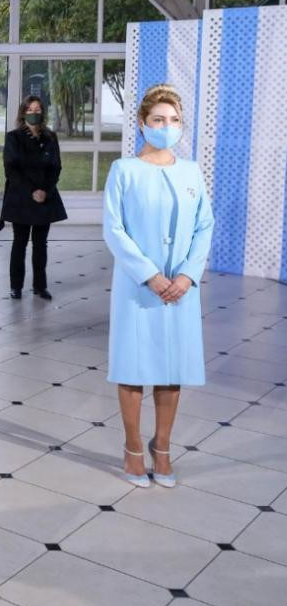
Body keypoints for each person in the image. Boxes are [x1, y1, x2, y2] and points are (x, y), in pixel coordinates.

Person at [103, 84, 213, 489]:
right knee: (133, 368)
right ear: (142, 124)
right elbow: (114, 230)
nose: (167, 127)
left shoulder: (191, 172)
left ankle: (162, 447)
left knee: (172, 369)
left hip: (181, 289)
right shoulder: (124, 171)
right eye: (158, 120)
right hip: (139, 288)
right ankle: (133, 448)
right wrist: (149, 274)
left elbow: (204, 226)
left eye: (174, 121)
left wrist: (187, 275)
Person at [1, 95, 66, 300]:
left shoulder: (50, 137)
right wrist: (32, 191)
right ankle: (16, 287)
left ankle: (40, 286)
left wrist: (44, 190)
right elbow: (11, 169)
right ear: (23, 112)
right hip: (21, 198)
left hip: (45, 198)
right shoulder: (13, 137)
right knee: (19, 243)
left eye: (38, 110)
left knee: (41, 244)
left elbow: (56, 167)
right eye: (30, 109)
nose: (34, 113)